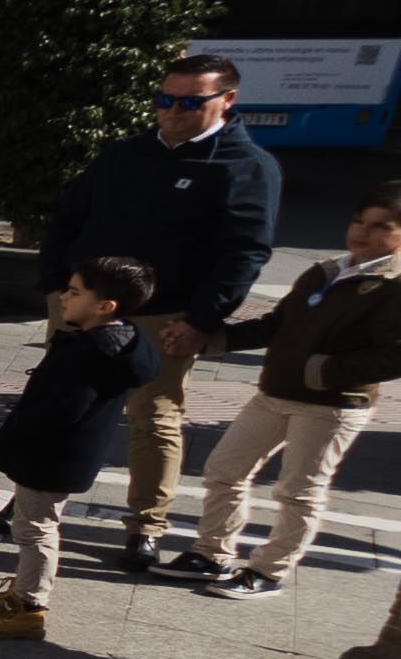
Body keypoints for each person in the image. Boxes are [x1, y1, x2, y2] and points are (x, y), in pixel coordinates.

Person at [36, 54, 282, 574]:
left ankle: (145, 526)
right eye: (164, 99)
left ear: (227, 101)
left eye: (190, 101)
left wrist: (202, 319)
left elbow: (246, 252)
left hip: (165, 317)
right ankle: (32, 497)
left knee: (153, 418)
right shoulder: (126, 153)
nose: (172, 111)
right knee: (58, 402)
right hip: (81, 304)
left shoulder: (246, 166)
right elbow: (67, 215)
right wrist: (57, 286)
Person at [169, 185, 401, 599]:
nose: (362, 233)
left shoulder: (393, 286)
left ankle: (269, 571)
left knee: (298, 492)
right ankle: (211, 553)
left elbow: (394, 356)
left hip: (330, 405)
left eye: (380, 227)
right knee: (224, 469)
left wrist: (324, 371)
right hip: (274, 393)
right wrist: (210, 341)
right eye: (358, 222)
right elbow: (276, 324)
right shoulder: (327, 271)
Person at [0, 258, 163, 642]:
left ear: (106, 306)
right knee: (33, 522)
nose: (63, 297)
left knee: (34, 528)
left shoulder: (88, 352)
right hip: (66, 454)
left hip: (51, 455)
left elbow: (60, 409)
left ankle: (29, 607)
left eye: (75, 292)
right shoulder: (124, 340)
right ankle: (22, 591)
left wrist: (22, 435)